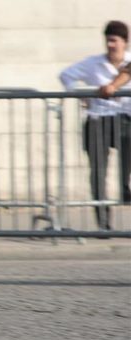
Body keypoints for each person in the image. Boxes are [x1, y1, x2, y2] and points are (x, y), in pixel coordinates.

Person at [59, 21, 131, 230]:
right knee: (98, 172)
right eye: (108, 40)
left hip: (125, 118)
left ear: (125, 42)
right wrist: (81, 95)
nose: (110, 45)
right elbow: (66, 75)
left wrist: (112, 87)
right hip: (98, 118)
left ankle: (124, 189)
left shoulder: (129, 62)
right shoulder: (93, 63)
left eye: (114, 41)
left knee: (126, 163)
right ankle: (103, 222)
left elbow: (127, 72)